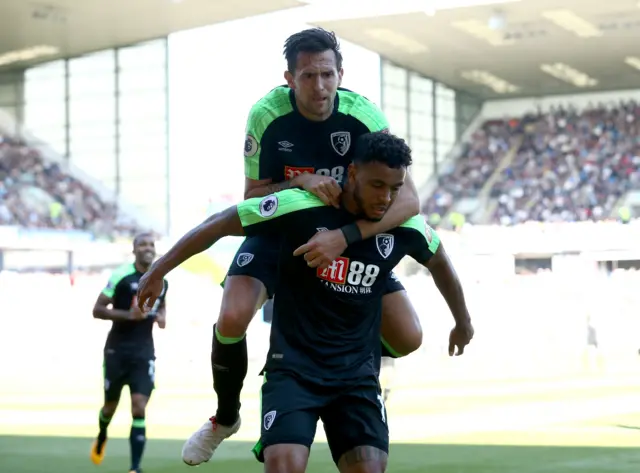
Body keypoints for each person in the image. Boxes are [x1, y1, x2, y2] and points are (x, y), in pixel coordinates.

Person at [136, 132, 474, 473]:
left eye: (396, 188)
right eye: (376, 185)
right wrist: (158, 269)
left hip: (356, 377)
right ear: (352, 174)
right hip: (294, 371)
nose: (386, 198)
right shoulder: (301, 209)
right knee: (284, 466)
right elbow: (222, 222)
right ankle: (226, 416)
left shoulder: (406, 228)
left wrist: (463, 322)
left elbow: (441, 262)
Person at [182, 27, 424, 465]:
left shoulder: (363, 115)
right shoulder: (266, 115)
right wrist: (301, 180)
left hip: (344, 243)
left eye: (328, 75)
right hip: (279, 230)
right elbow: (252, 195)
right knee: (233, 316)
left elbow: (408, 198)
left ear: (341, 73)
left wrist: (347, 236)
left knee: (408, 337)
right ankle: (226, 416)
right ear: (290, 78)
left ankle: (345, 364)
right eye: (308, 76)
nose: (320, 86)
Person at [90, 233, 168, 473]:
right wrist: (128, 315)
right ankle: (102, 434)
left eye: (151, 245)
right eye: (142, 245)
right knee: (109, 408)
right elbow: (98, 309)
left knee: (138, 407)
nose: (147, 248)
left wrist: (162, 316)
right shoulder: (121, 276)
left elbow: (161, 303)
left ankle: (135, 468)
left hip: (144, 351)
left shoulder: (161, 279)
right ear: (134, 250)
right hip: (117, 350)